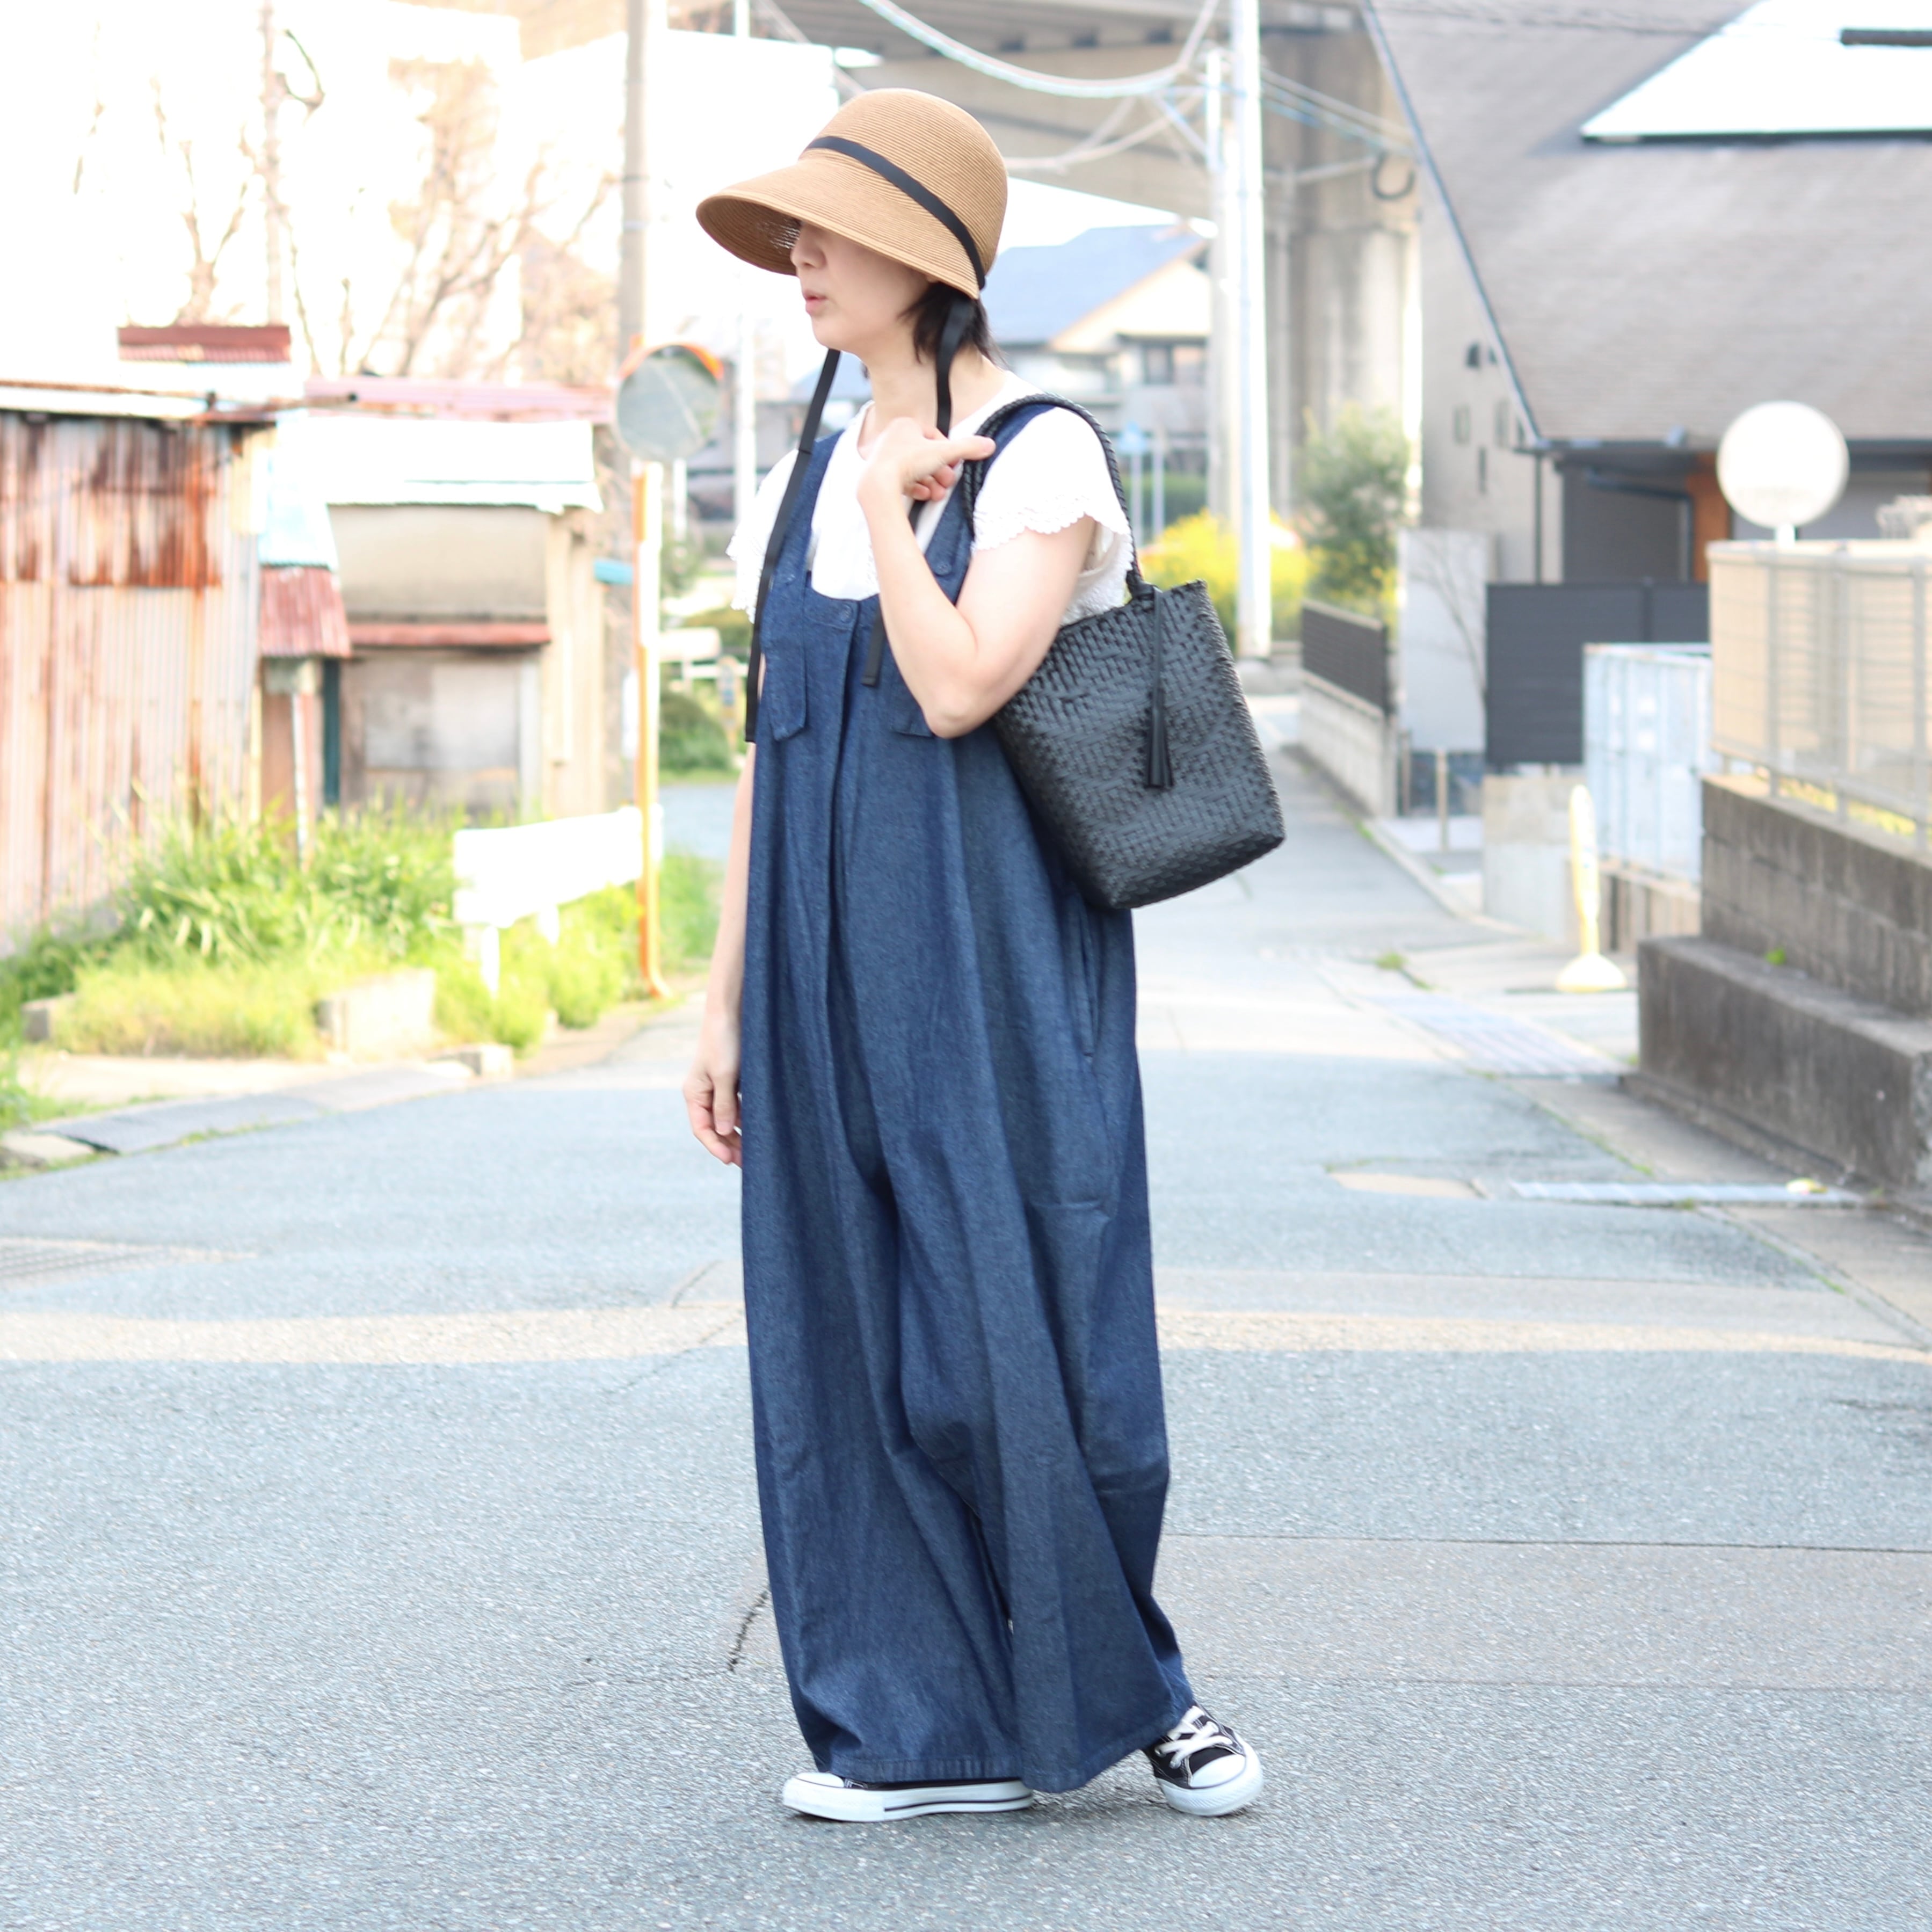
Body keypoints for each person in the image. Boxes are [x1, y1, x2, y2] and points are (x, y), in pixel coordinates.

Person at [684, 89, 1262, 1825]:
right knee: (844, 1333)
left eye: (832, 231)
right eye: (794, 230)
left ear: (926, 258)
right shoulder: (800, 472)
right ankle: (919, 1727)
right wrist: (721, 1002)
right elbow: (771, 752)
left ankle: (1140, 1686)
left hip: (995, 956)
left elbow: (954, 690)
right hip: (816, 965)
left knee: (1030, 1328)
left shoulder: (1043, 457)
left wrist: (886, 509)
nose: (801, 256)